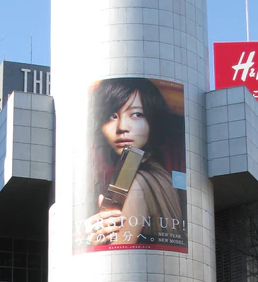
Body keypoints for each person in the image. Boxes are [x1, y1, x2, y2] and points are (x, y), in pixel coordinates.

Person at [80, 77, 187, 251]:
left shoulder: (135, 183)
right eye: (112, 116)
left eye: (136, 114)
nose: (122, 127)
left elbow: (117, 259)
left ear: (152, 120)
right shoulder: (157, 173)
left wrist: (92, 244)